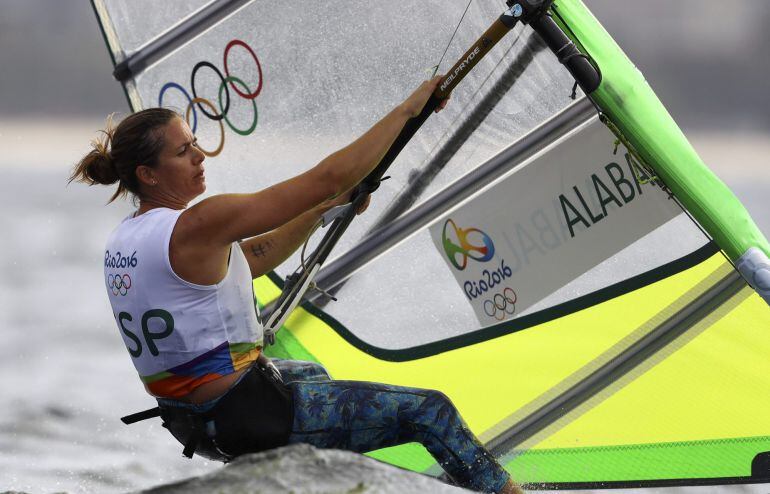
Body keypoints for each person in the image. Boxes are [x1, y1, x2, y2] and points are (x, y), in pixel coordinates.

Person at [71, 76, 523, 494]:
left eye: (195, 143)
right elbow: (327, 177)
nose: (200, 156)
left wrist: (326, 209)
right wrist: (409, 108)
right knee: (432, 412)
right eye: (183, 152)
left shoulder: (128, 239)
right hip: (244, 413)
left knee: (311, 374)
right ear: (148, 175)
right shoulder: (200, 222)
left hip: (194, 422)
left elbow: (247, 261)